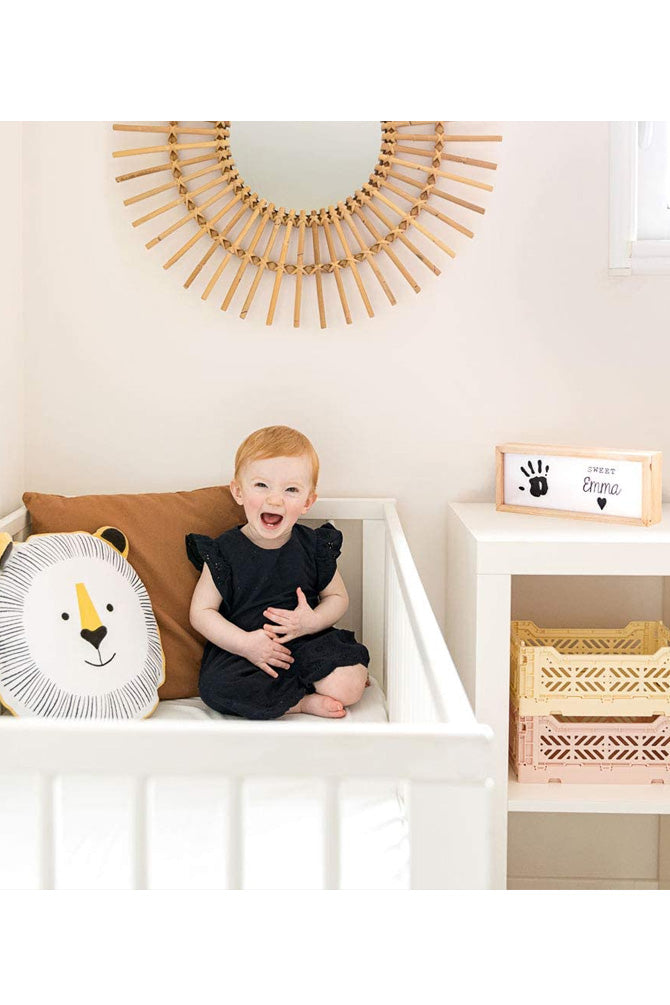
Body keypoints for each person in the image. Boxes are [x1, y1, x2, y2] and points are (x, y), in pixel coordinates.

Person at [186, 426, 370, 720]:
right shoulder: (224, 551)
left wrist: (312, 621)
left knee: (348, 685)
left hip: (308, 641)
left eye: (291, 490)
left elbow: (337, 597)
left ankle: (318, 682)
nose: (275, 500)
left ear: (308, 502)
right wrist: (246, 644)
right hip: (249, 648)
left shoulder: (313, 546)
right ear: (238, 491)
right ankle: (301, 702)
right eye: (261, 485)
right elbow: (201, 612)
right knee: (216, 688)